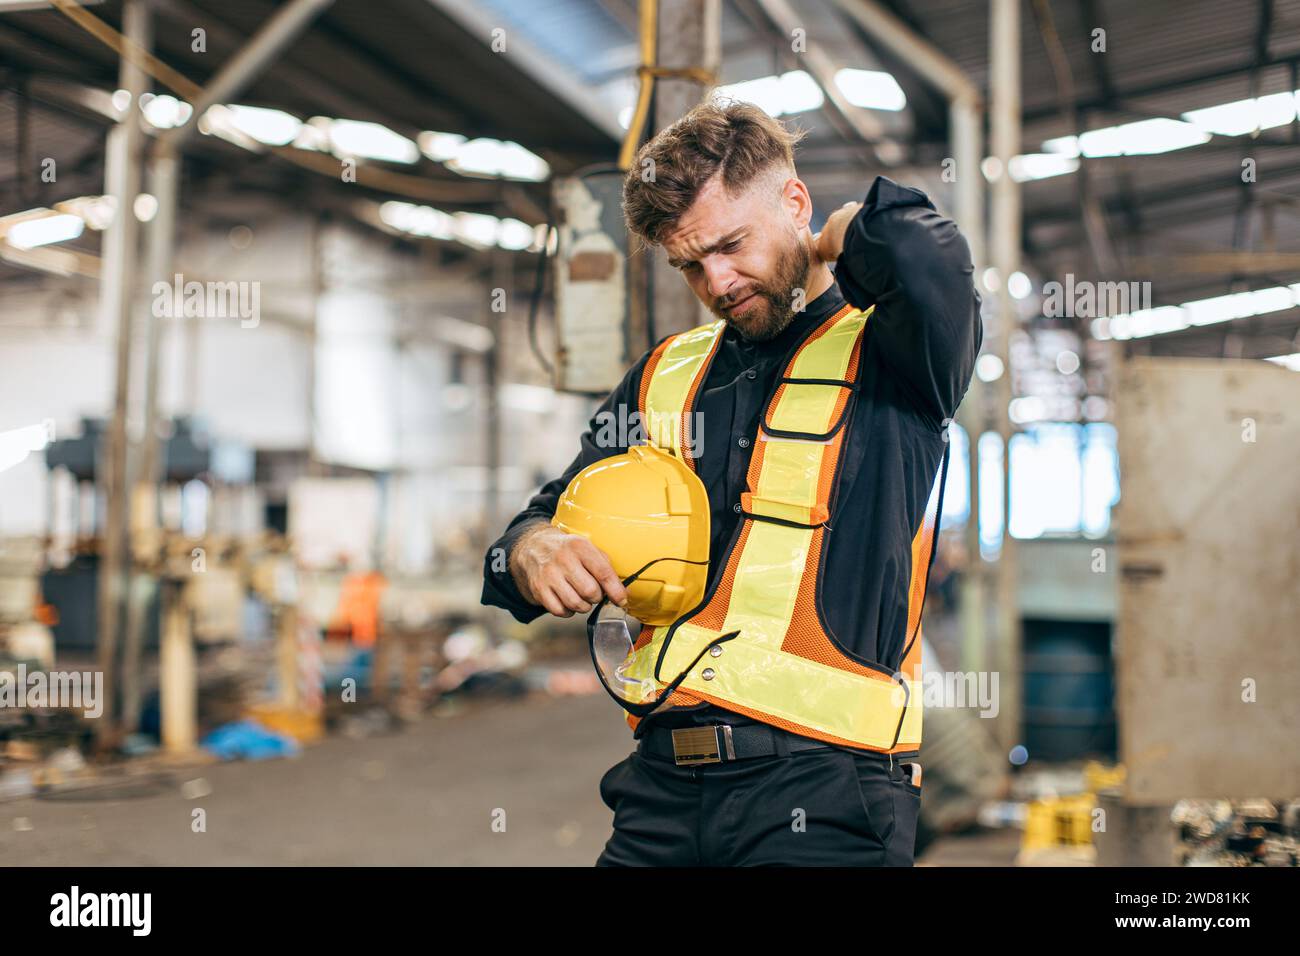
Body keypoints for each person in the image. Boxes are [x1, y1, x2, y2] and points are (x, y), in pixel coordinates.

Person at [481, 98, 981, 866]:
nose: (716, 280)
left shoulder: (896, 354)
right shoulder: (664, 376)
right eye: (689, 264)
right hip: (659, 790)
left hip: (830, 793)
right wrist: (532, 546)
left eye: (731, 245)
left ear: (794, 202)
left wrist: (849, 234)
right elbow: (542, 518)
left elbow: (929, 257)